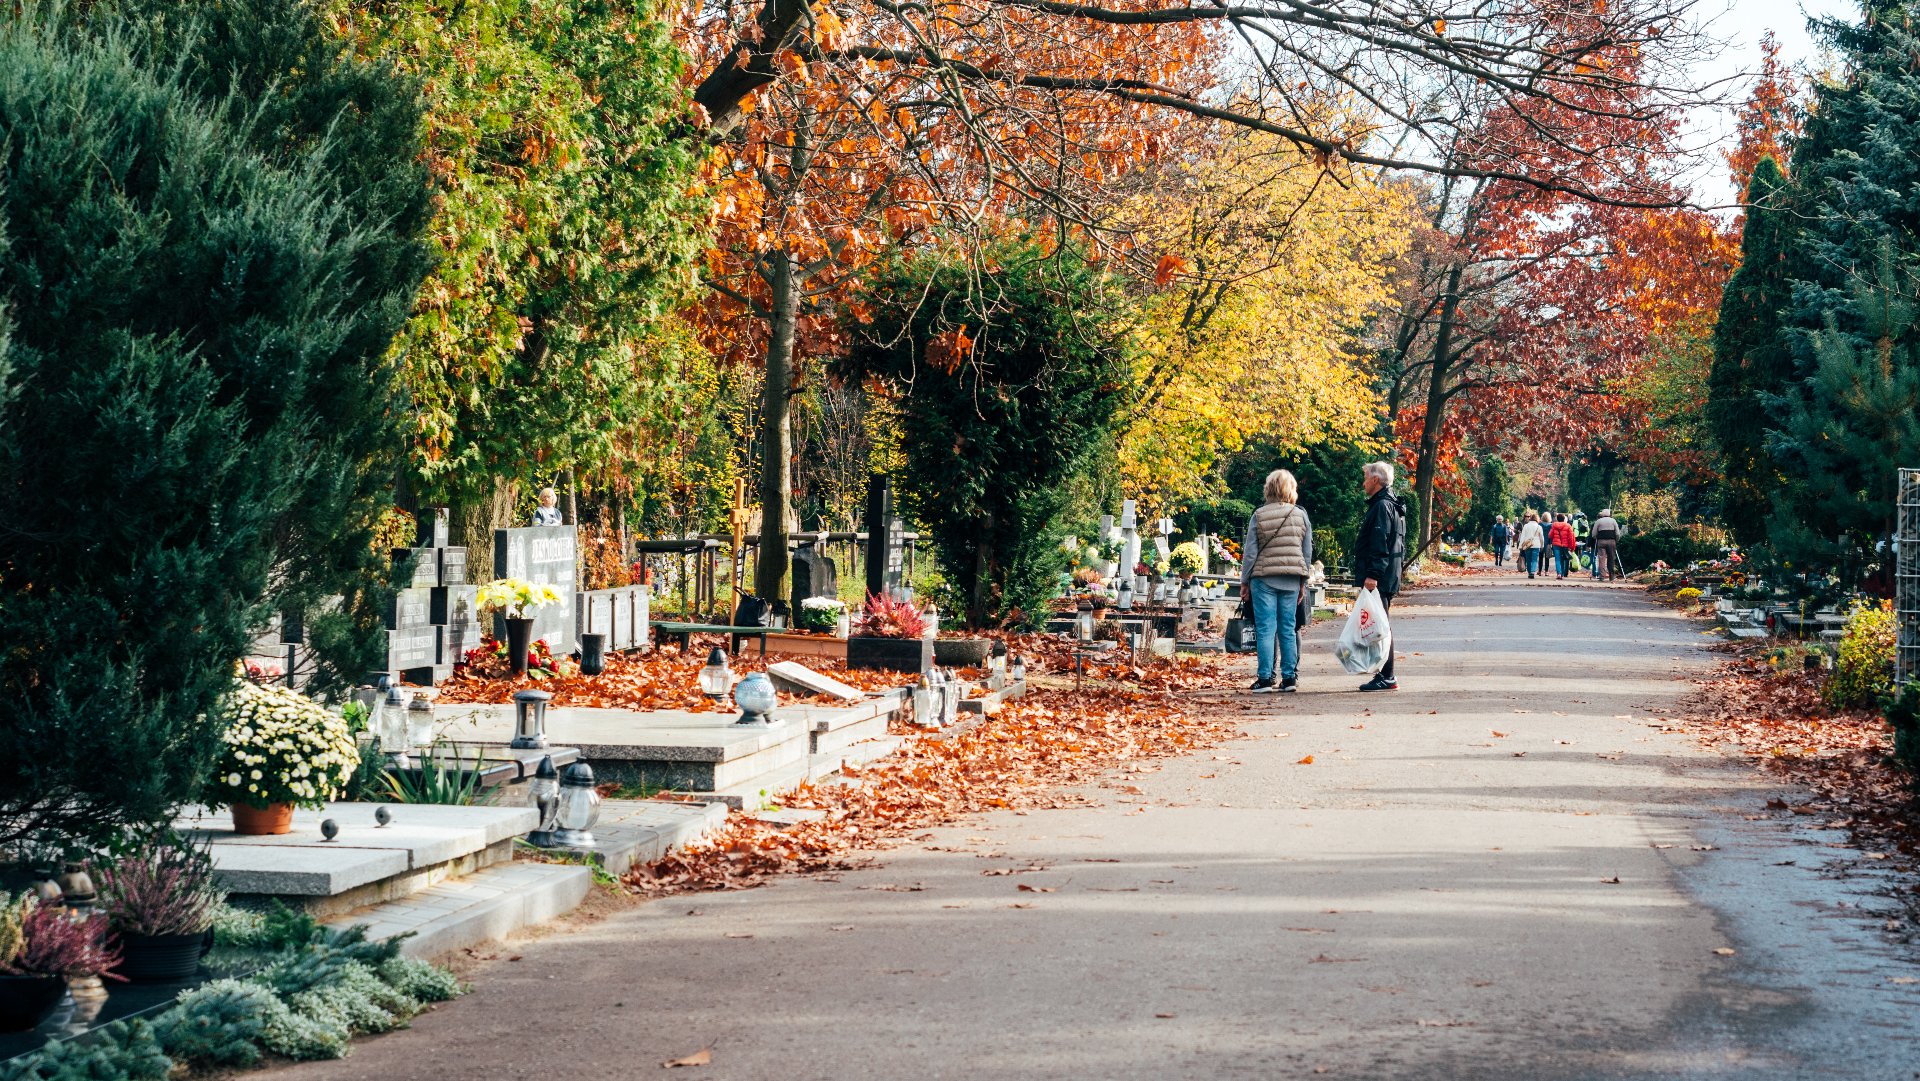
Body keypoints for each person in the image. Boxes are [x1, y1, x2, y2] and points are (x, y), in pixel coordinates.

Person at [1240, 469, 1314, 693]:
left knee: (1265, 629)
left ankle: (1264, 679)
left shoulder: (1259, 515)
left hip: (1264, 578)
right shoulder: (1301, 515)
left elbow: (1250, 552)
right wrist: (1303, 581)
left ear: (1268, 489)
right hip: (1291, 579)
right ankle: (1289, 678)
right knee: (1288, 629)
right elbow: (1306, 551)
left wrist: (1244, 581)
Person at [1352, 460, 1406, 692]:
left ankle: (1387, 674)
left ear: (1376, 480)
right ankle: (1385, 673)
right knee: (1380, 624)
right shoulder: (1390, 504)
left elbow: (1379, 542)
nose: (1363, 483)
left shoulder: (1382, 506)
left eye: (1365, 478)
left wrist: (1372, 574)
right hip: (1388, 573)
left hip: (1380, 575)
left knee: (1381, 625)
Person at [1592, 507, 1625, 580]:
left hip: (1601, 541)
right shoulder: (1613, 521)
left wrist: (1596, 538)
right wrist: (1616, 540)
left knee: (1601, 559)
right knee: (1611, 558)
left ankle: (1602, 576)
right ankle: (1611, 576)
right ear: (1609, 514)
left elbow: (1594, 534)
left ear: (1603, 514)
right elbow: (1617, 533)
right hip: (1611, 541)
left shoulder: (1598, 521)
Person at [1548, 513, 1577, 579]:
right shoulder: (1568, 526)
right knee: (1564, 559)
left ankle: (1559, 573)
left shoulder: (1554, 525)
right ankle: (1563, 573)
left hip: (1556, 545)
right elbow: (1571, 537)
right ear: (1564, 519)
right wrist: (1572, 547)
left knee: (1557, 559)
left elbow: (1550, 535)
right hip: (1565, 545)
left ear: (1557, 519)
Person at [1517, 510, 1544, 579]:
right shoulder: (1539, 527)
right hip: (1536, 545)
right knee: (1534, 559)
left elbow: (1522, 536)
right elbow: (1541, 538)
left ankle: (1529, 572)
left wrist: (1520, 546)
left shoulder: (1526, 526)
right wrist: (1542, 545)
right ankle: (1532, 572)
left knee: (1528, 559)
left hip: (1527, 545)